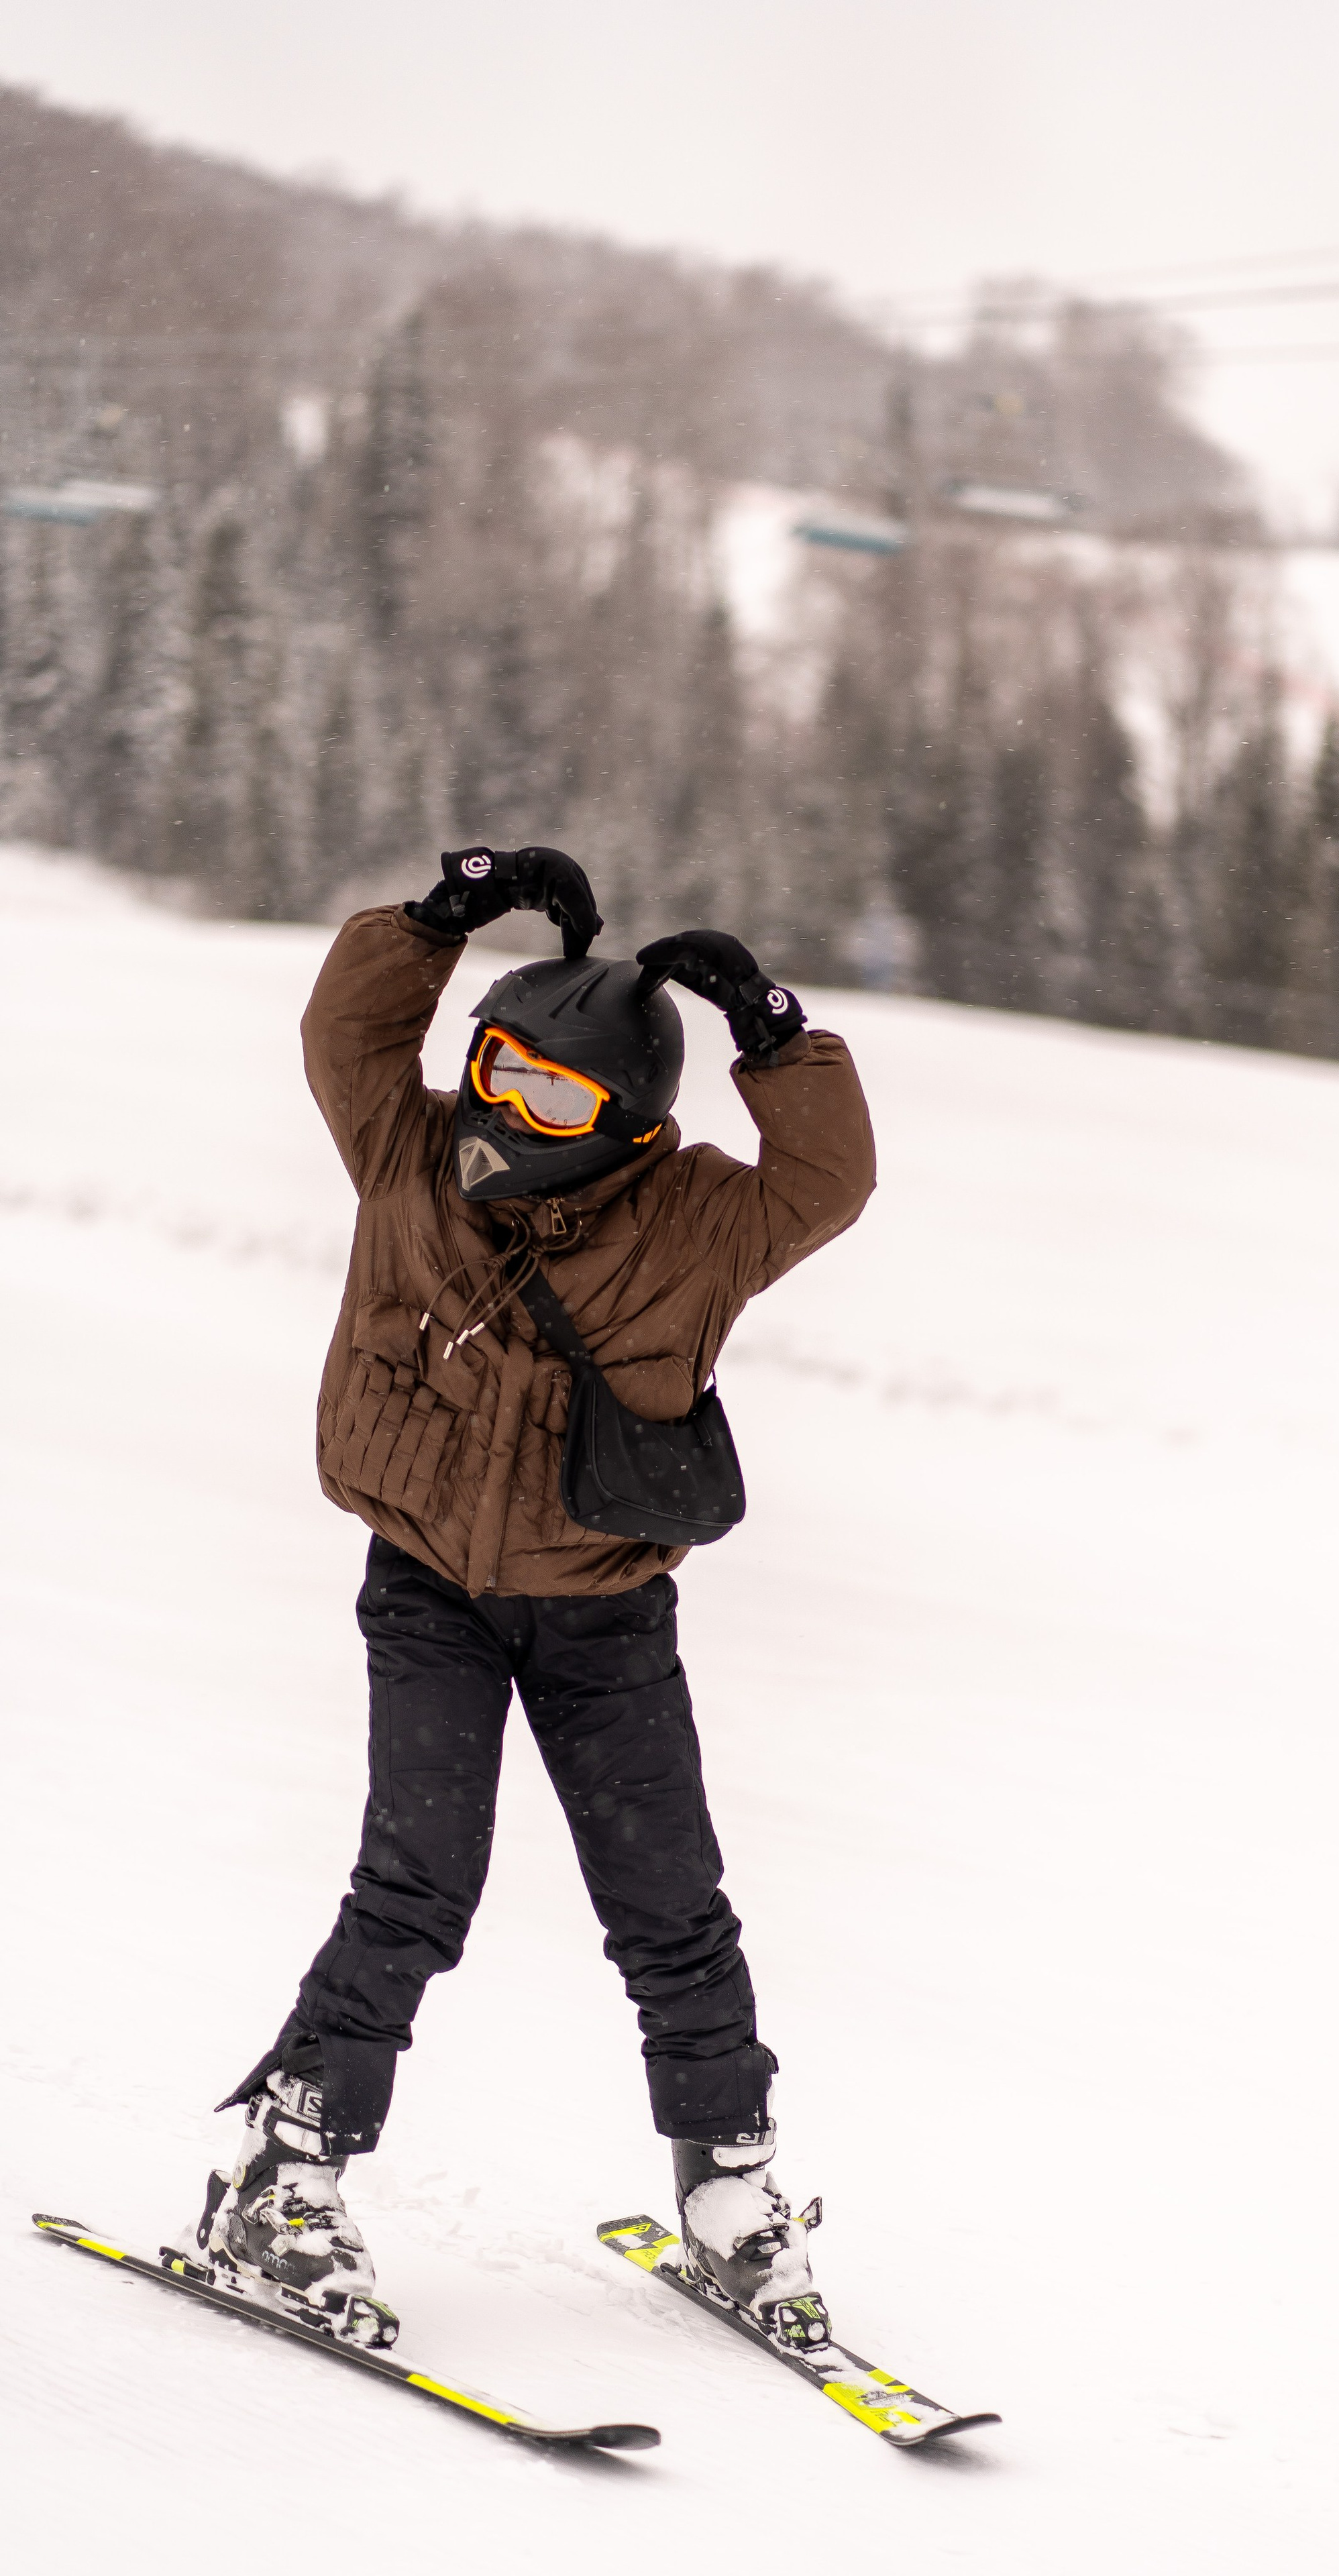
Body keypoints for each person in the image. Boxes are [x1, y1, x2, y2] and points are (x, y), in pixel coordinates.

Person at [186, 845, 875, 2351]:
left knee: (672, 1910)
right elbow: (345, 1036)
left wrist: (772, 1032)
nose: (505, 1111)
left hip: (605, 1615)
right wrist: (438, 920)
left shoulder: (700, 1221)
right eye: (495, 1069)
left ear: (630, 1119)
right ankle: (281, 2168)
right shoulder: (406, 1152)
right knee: (416, 1888)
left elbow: (827, 1181)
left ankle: (728, 2190)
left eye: (554, 1097)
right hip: (426, 1590)